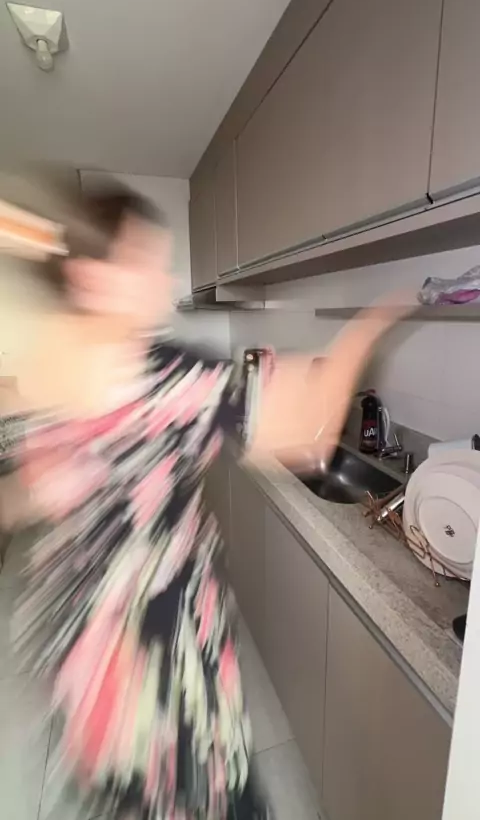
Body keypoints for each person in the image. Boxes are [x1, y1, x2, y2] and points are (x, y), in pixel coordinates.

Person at [0, 174, 412, 819]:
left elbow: (31, 489)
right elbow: (307, 429)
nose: (164, 282)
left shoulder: (50, 370)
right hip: (168, 667)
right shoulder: (168, 376)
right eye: (144, 263)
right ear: (91, 277)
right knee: (216, 799)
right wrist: (375, 321)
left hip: (92, 666)